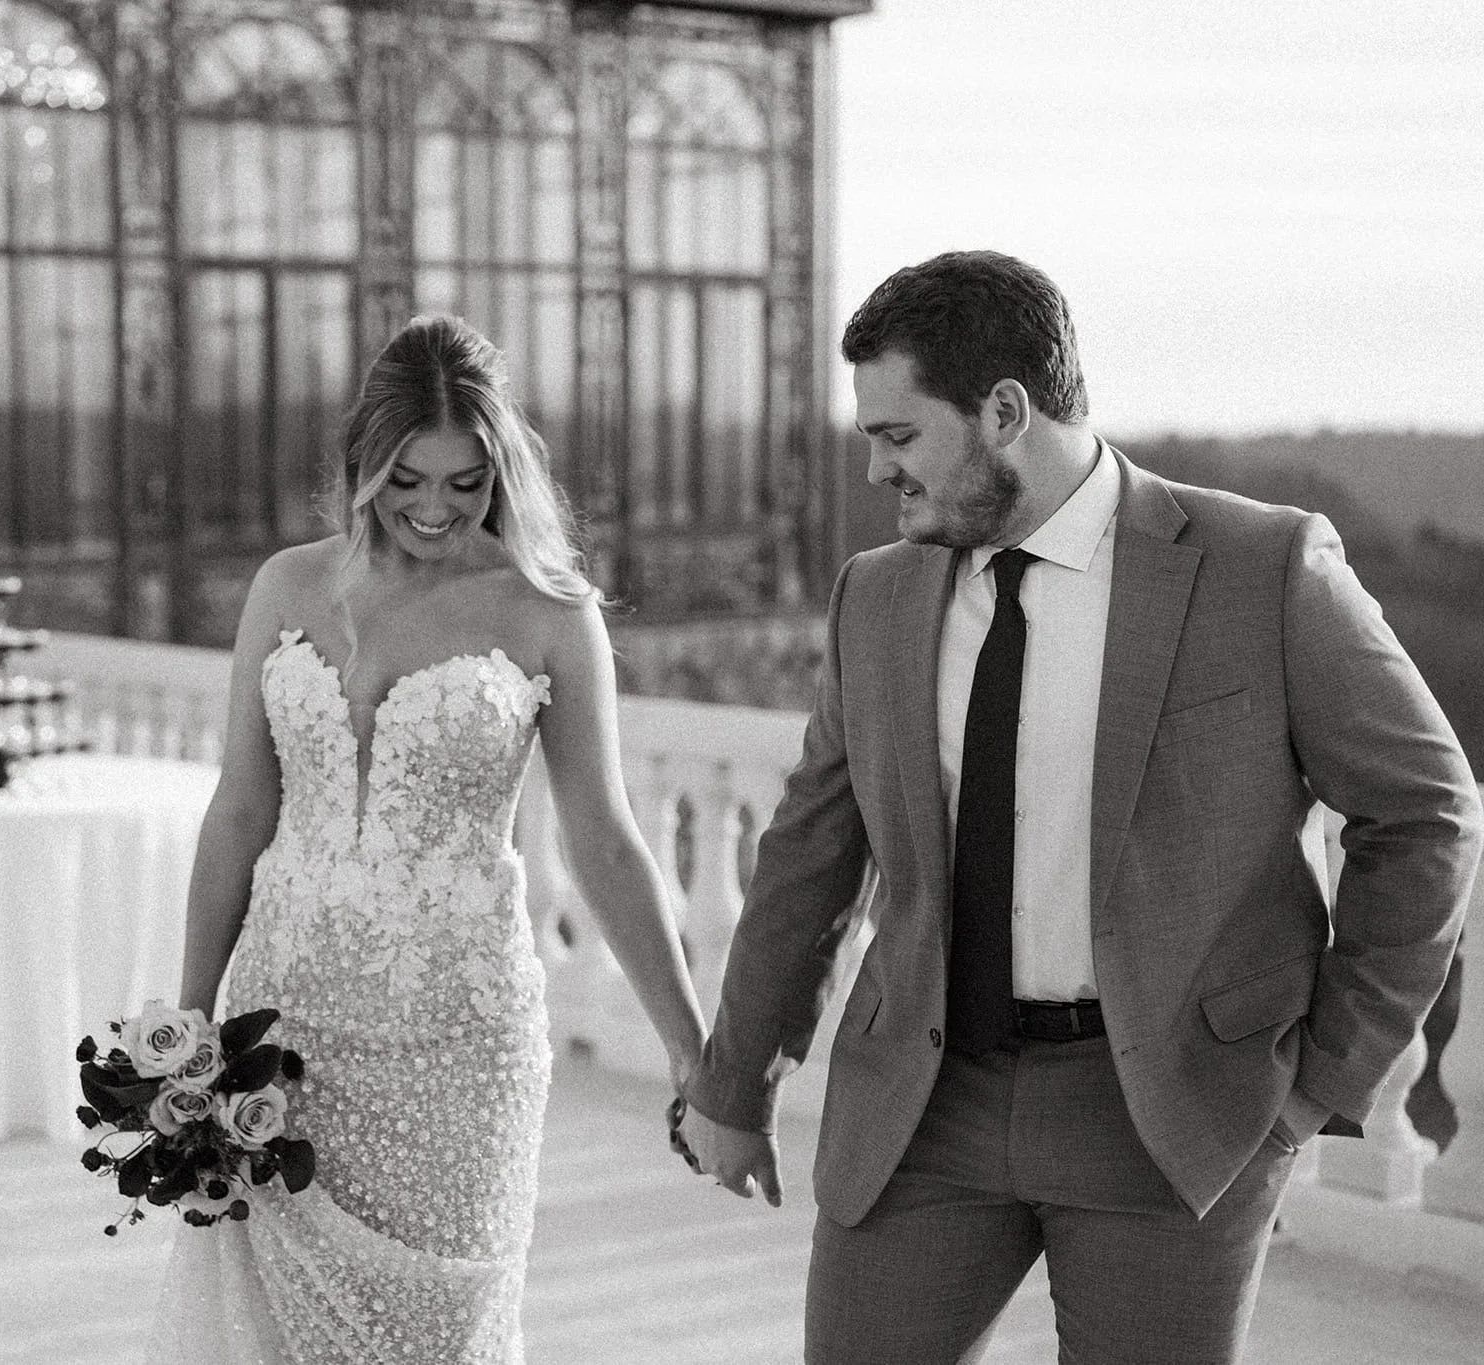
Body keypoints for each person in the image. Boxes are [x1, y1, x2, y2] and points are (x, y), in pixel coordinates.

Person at [674, 250, 1481, 1363]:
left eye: (897, 436)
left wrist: (1319, 1084)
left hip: (1169, 1114)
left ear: (1003, 411)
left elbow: (1426, 813)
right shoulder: (878, 594)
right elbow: (810, 851)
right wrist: (733, 1082)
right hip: (922, 1103)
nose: (874, 471)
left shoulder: (1262, 568)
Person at [154, 313, 707, 1363]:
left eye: (464, 482)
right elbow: (239, 808)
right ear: (362, 465)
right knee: (277, 1332)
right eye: (407, 480)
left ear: (500, 472)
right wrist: (189, 1018)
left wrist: (690, 1046)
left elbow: (605, 841)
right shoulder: (286, 587)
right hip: (285, 1026)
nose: (435, 509)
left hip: (460, 1035)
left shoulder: (546, 610)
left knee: (439, 1331)